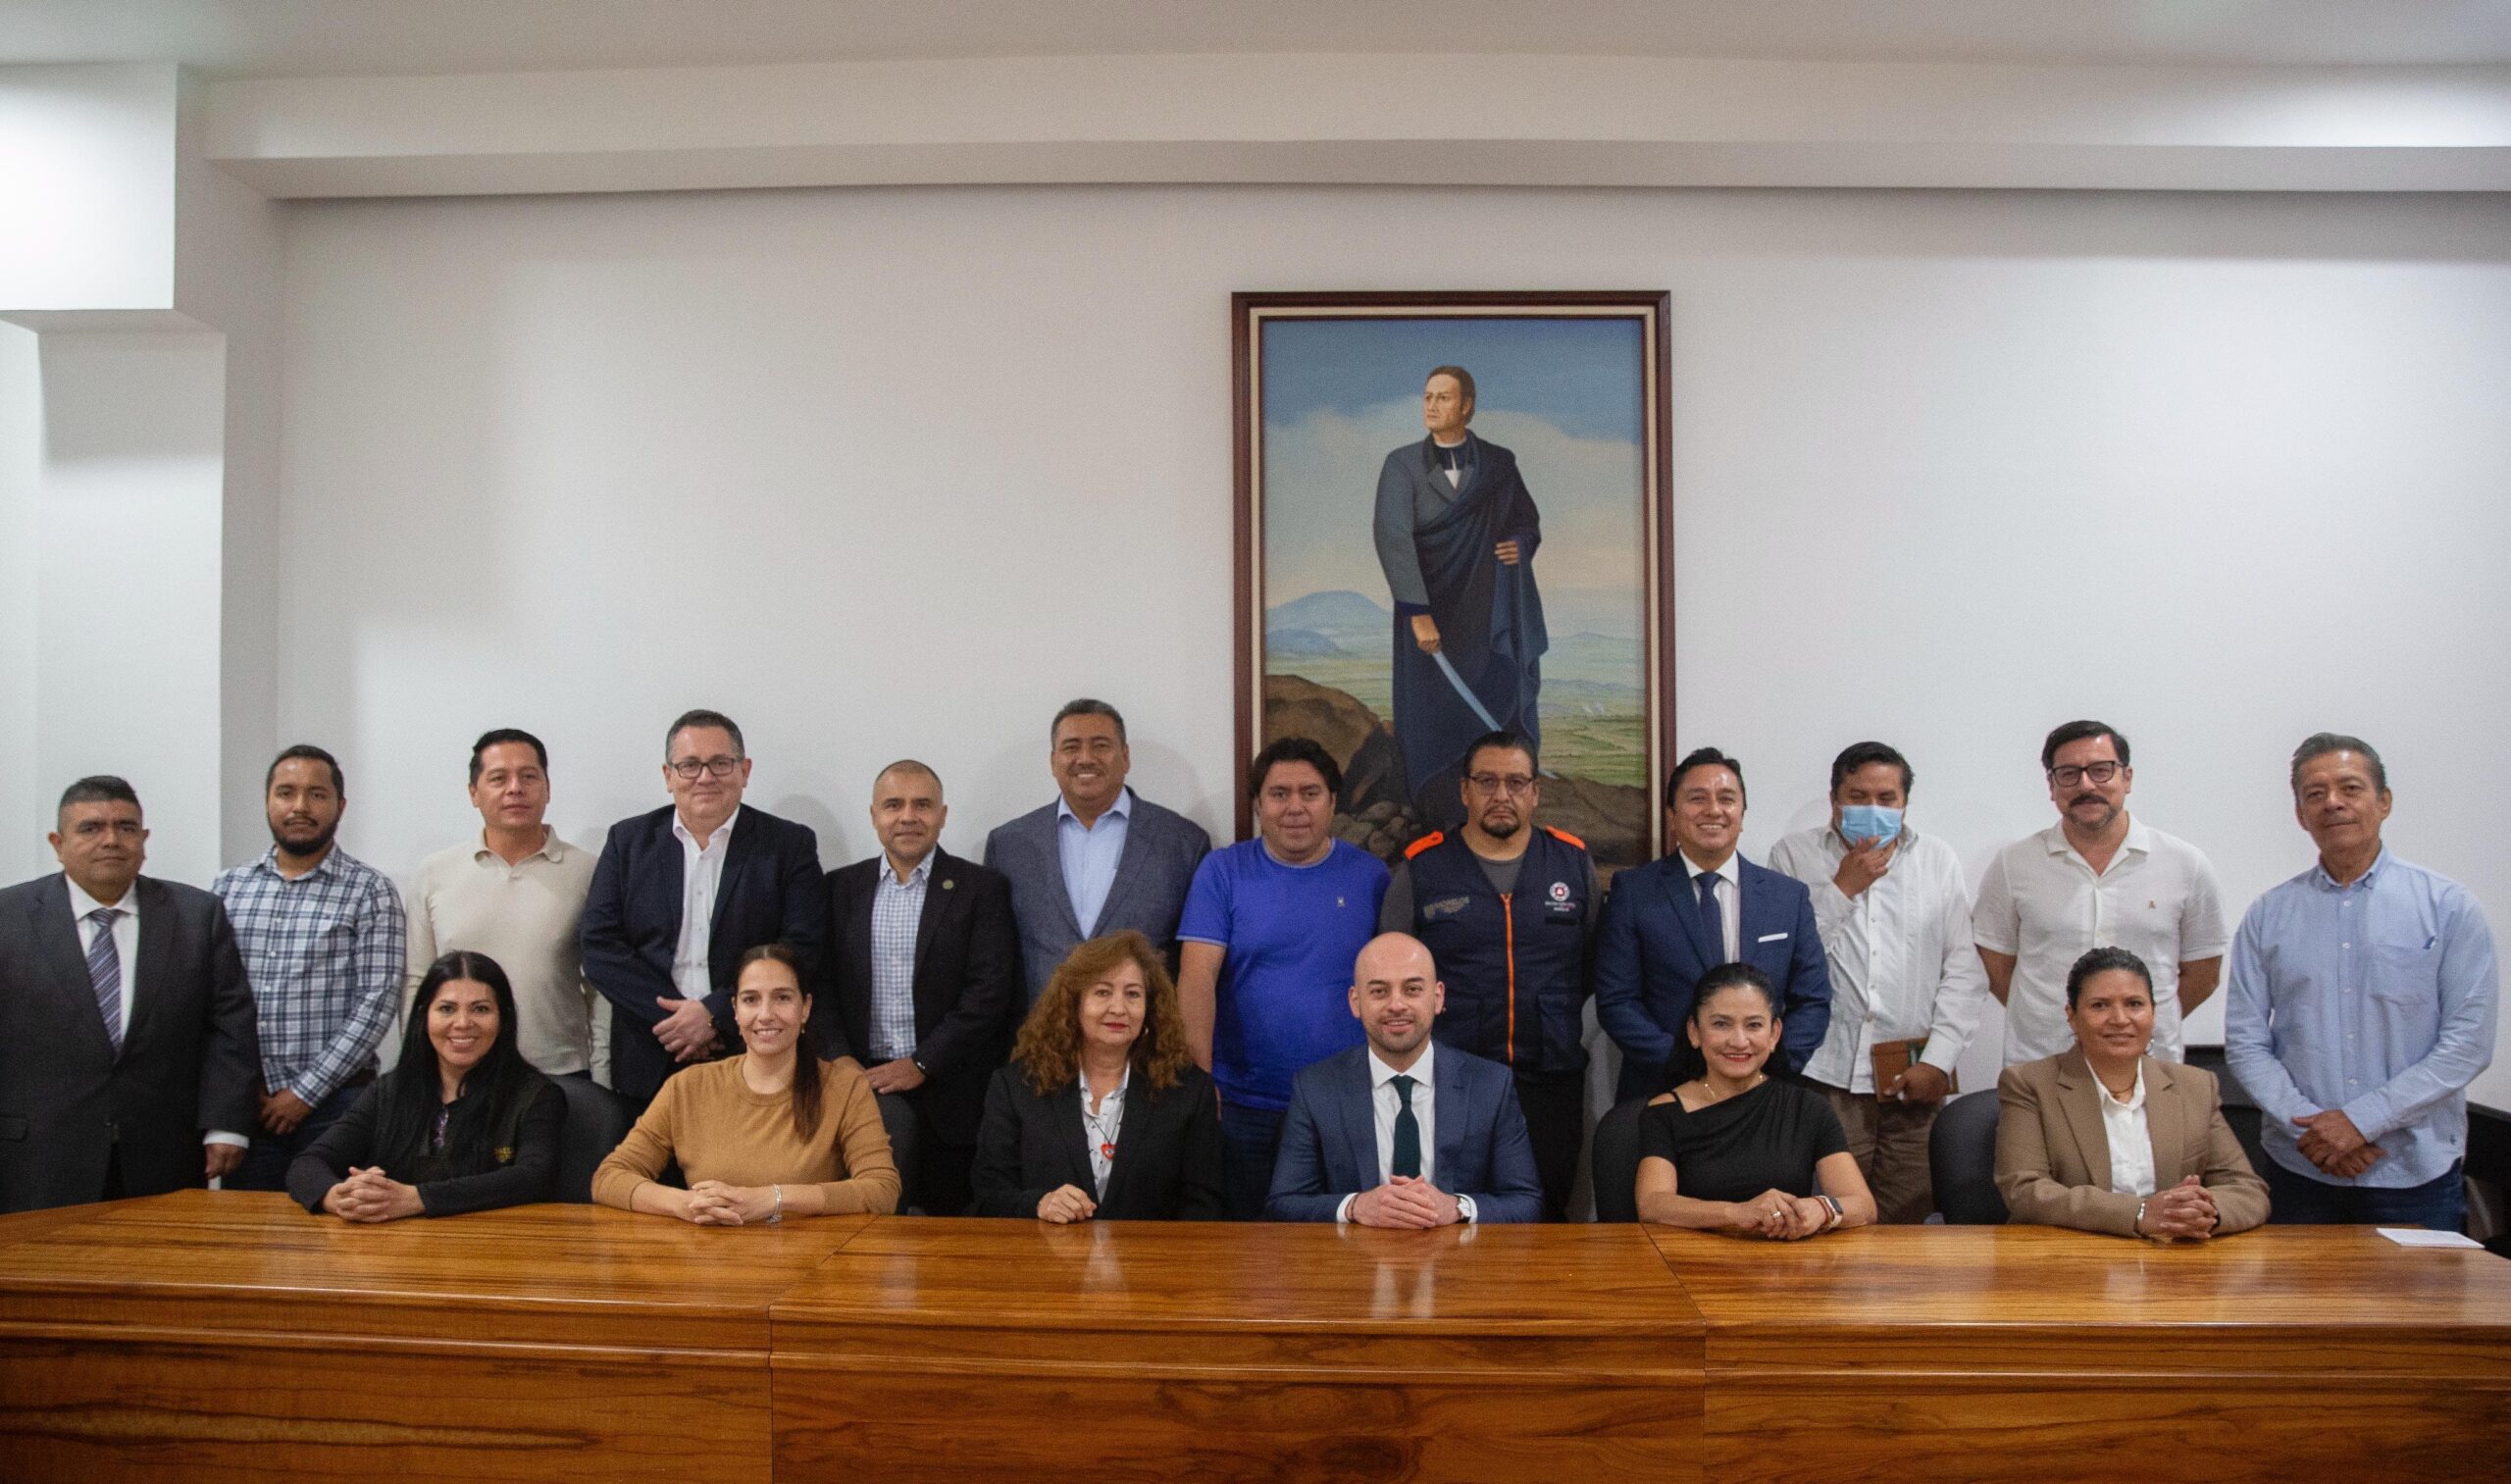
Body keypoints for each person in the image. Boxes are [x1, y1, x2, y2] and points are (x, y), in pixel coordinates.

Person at [2225, 734, 2497, 1232]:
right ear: (2300, 814)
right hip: (2300, 1167)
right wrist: (2312, 1129)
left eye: (2350, 788)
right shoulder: (2268, 914)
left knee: (2421, 1289)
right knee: (2300, 1288)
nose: (2333, 803)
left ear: (2384, 801)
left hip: (2414, 1172)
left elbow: (2467, 1044)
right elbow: (2246, 1042)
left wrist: (2360, 1121)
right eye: (2315, 794)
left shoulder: (2449, 907)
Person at [0, 777, 259, 1212]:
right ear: (57, 844)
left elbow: (229, 1025)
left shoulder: (196, 916)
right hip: (38, 1156)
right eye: (90, 828)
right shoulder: (9, 917)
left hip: (162, 1152)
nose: (111, 840)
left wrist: (225, 1124)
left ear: (144, 839)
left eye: (126, 827)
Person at [1379, 728, 1598, 1219]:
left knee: (1546, 1211)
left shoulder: (1571, 862)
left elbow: (1589, 965)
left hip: (1550, 1079)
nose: (1502, 795)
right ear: (1465, 790)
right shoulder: (1424, 867)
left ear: (1535, 792)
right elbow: (1392, 970)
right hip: (1455, 1080)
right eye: (1486, 781)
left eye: (1516, 782)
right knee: (1450, 1214)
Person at [1768, 742, 1988, 1223]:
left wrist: (1939, 1059)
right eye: (1857, 796)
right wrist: (1842, 888)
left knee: (1906, 1222)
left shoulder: (1936, 859)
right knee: (1828, 1219)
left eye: (1886, 798)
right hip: (1823, 1076)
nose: (1872, 808)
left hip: (1913, 1078)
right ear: (1834, 799)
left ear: (1905, 803)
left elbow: (1963, 968)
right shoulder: (1793, 855)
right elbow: (1784, 962)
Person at [1178, 738, 1393, 1218]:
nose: (1295, 807)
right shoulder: (1222, 872)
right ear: (1258, 804)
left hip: (1344, 1104)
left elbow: (1392, 988)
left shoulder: (1371, 877)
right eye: (1279, 794)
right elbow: (1196, 979)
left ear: (1333, 802)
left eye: (1310, 793)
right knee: (1245, 1242)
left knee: (1340, 1240)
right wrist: (1199, 1084)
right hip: (1241, 1104)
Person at [579, 709, 826, 1112]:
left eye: (720, 763)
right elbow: (598, 946)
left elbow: (801, 947)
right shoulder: (629, 841)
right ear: (668, 775)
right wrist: (676, 1022)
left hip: (749, 1049)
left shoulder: (787, 845)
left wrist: (714, 1013)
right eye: (690, 765)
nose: (705, 777)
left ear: (745, 771)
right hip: (651, 1050)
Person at [823, 760, 1020, 1215]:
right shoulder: (839, 888)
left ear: (943, 815)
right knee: (866, 1230)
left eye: (922, 805)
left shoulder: (981, 889)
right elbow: (821, 984)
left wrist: (922, 1062)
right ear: (874, 815)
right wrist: (840, 1058)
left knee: (949, 1236)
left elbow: (989, 992)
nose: (908, 816)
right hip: (861, 1088)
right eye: (894, 804)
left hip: (951, 1091)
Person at [1973, 720, 2229, 1066]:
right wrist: (2054, 1020)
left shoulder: (2185, 864)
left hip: (2150, 1065)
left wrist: (2128, 1026)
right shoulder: (2014, 864)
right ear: (2051, 786)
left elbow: (2203, 975)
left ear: (2127, 777)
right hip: (2043, 1064)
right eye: (2068, 774)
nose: (2086, 785)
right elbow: (1997, 968)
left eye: (2101, 770)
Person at [215, 744, 409, 1192]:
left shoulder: (370, 890)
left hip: (340, 1104)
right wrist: (234, 1090)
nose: (300, 806)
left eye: (317, 794)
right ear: (268, 801)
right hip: (250, 1105)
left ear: (340, 806)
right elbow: (212, 999)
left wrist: (304, 1093)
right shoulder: (227, 889)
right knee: (247, 1228)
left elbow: (377, 1001)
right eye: (286, 792)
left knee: (335, 1224)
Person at [591, 944, 897, 1222]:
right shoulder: (687, 1086)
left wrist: (774, 1199)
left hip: (811, 1257)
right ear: (735, 1011)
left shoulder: (845, 1086)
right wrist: (684, 1203)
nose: (765, 1015)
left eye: (782, 998)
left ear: (805, 1008)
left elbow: (881, 1190)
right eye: (751, 1000)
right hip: (710, 1256)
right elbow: (610, 1178)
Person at [1595, 747, 1831, 1101]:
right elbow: (1617, 1001)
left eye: (1727, 798)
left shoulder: (1788, 897)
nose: (1714, 810)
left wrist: (1764, 1068)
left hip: (1764, 1093)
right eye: (1697, 798)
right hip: (1666, 1090)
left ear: (1742, 814)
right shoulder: (1633, 892)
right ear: (1672, 815)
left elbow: (1813, 1000)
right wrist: (1690, 1069)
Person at [1266, 933, 1544, 1225]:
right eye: (1379, 991)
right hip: (1354, 1253)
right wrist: (1355, 1207)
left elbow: (1526, 1202)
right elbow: (1284, 1203)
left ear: (1437, 997)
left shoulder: (1491, 1085)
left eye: (1412, 989)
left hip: (1456, 1251)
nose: (1396, 1004)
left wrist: (1457, 1207)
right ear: (1355, 1002)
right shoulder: (1315, 1088)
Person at [1373, 364, 1548, 823]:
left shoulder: (1499, 463)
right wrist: (1416, 612)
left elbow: (1526, 520)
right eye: (1427, 397)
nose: (1431, 406)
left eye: (1443, 397)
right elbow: (1392, 537)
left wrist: (1520, 544)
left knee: (1493, 696)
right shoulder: (1401, 464)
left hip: (1486, 611)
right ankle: (1436, 806)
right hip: (1428, 610)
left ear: (1467, 406)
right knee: (1430, 709)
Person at [1996, 947, 2270, 1238]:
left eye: (2134, 1004)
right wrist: (2139, 1214)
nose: (2119, 1019)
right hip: (2069, 1253)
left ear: (2153, 1013)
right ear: (2072, 1016)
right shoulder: (2029, 1084)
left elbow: (2247, 1190)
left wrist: (2200, 1213)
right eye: (2100, 1005)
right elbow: (2024, 1190)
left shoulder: (2196, 1086)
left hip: (2173, 1255)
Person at [288, 950, 563, 1220]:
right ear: (424, 1017)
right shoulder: (387, 1091)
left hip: (493, 1243)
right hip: (394, 1245)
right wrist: (338, 1197)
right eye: (447, 1009)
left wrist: (417, 1199)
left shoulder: (536, 1095)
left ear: (503, 1019)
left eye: (480, 1009)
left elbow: (533, 1177)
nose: (463, 1023)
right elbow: (308, 1163)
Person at [971, 930, 1224, 1221]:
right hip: (1047, 1248)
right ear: (1073, 1004)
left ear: (1150, 1008)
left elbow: (1203, 1206)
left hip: (1150, 1251)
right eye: (1102, 992)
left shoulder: (1189, 1091)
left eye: (1133, 994)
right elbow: (989, 1192)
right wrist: (1038, 1204)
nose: (1118, 1008)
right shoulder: (1017, 1086)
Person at [402, 729, 599, 1081]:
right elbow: (418, 980)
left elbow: (600, 987)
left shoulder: (588, 872)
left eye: (529, 776)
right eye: (498, 778)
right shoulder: (434, 873)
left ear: (548, 788)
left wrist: (603, 1073)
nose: (515, 788)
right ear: (473, 793)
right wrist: (417, 1071)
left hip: (560, 1072)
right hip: (460, 1074)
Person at [985, 698, 1210, 1005]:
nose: (1085, 758)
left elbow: (1193, 963)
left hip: (1143, 1028)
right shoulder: (1008, 845)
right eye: (1071, 747)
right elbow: (995, 958)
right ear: (1053, 761)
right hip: (1037, 1029)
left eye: (1101, 746)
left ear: (1125, 757)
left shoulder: (1183, 842)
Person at [1634, 963, 1877, 1238]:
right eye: (1721, 1024)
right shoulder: (1664, 1112)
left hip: (1787, 1256)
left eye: (1754, 1025)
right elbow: (1652, 1204)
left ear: (1774, 1034)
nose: (1739, 1041)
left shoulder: (1809, 1108)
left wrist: (1822, 1208)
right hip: (1692, 1257)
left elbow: (1863, 1206)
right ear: (1694, 1032)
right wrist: (1737, 1214)